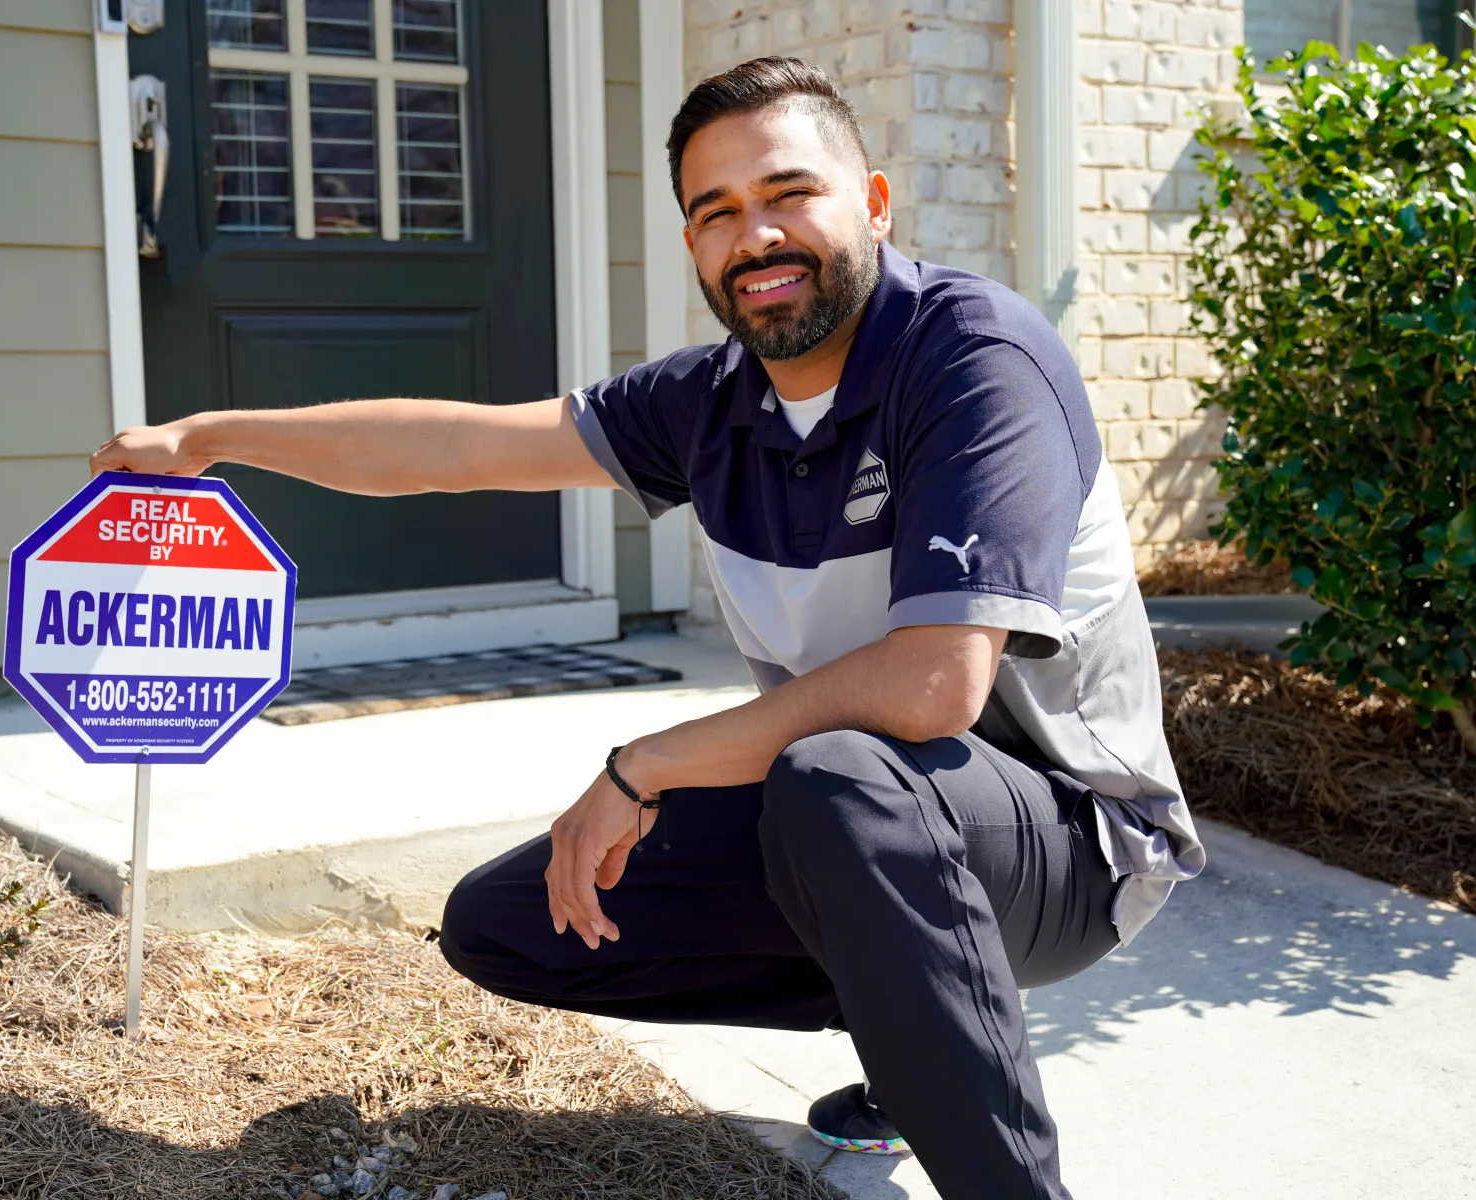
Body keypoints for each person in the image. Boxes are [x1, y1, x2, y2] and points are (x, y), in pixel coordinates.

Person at [92, 56, 1204, 1200]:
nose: (755, 235)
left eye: (789, 194)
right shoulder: (709, 402)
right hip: (874, 817)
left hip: (1074, 841)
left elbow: (932, 690)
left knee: (843, 778)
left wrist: (645, 765)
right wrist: (214, 435)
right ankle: (919, 1028)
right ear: (693, 248)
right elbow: (453, 447)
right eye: (715, 213)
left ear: (871, 203)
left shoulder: (975, 359)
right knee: (513, 924)